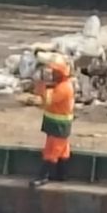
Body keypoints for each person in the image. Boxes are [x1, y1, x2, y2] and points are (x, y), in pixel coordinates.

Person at [30, 57, 74, 187]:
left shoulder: (63, 88)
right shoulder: (61, 85)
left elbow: (49, 101)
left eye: (54, 72)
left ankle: (43, 176)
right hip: (56, 123)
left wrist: (42, 87)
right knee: (63, 150)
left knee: (52, 150)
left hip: (58, 125)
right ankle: (62, 174)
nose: (52, 74)